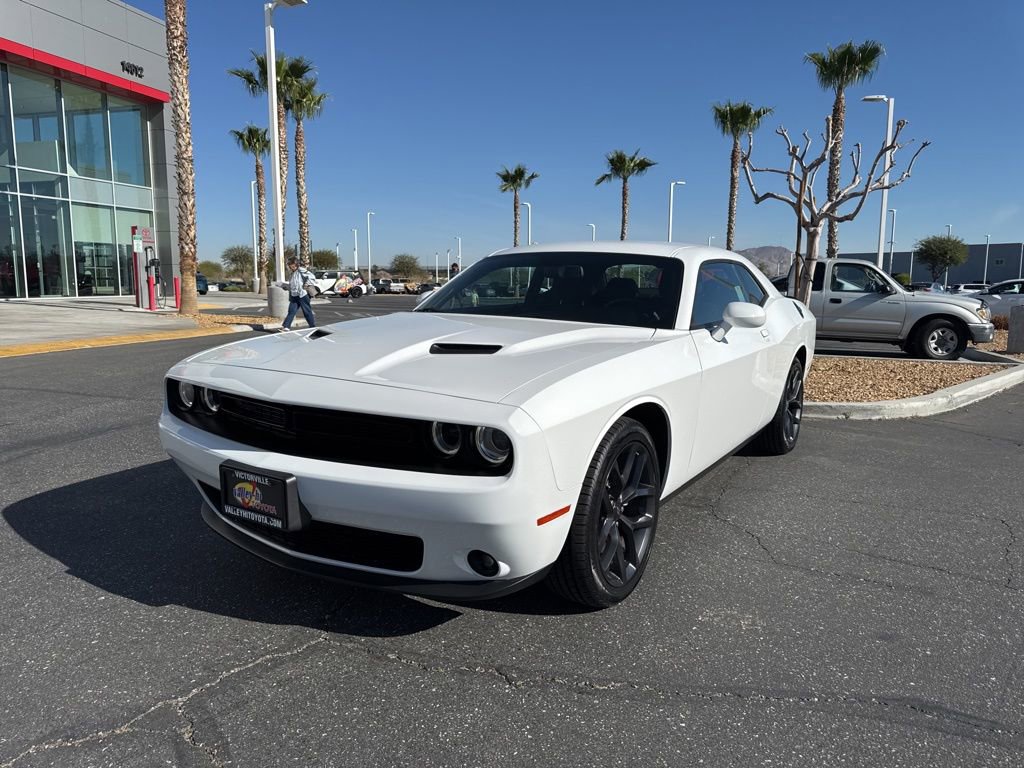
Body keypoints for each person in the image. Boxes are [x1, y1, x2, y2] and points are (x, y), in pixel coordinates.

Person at [282, 256, 317, 330]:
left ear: (296, 264)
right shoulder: (292, 274)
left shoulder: (301, 270)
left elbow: (312, 276)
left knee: (307, 311)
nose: (290, 266)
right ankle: (286, 327)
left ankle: (312, 326)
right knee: (291, 311)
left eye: (291, 264)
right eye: (289, 265)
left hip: (303, 295)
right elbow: (293, 285)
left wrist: (307, 284)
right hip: (294, 295)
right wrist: (286, 287)